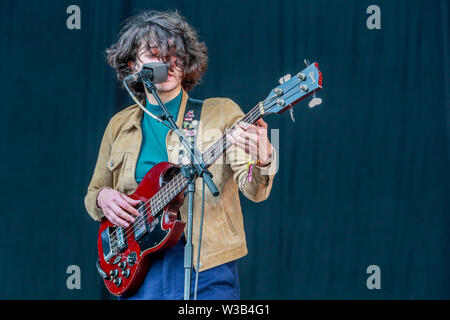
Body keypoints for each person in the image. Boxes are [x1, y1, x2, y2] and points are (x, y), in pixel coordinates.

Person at [84, 9, 277, 300]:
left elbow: (254, 189)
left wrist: (262, 157)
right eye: (154, 53)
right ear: (132, 65)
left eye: (175, 54)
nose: (167, 62)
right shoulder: (119, 125)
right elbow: (93, 192)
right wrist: (103, 198)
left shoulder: (220, 113)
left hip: (207, 267)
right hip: (140, 267)